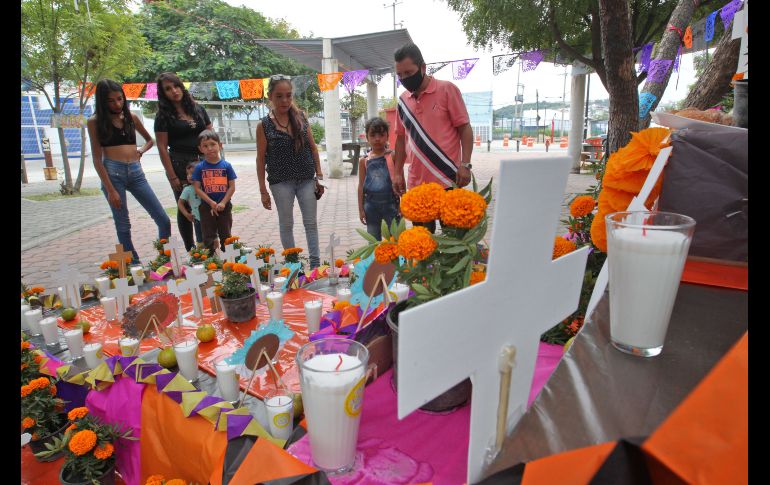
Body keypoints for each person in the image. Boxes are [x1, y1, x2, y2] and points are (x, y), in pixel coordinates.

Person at [392, 42, 474, 232]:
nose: (404, 78)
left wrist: (466, 164)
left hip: (448, 179)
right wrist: (397, 173)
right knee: (422, 248)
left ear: (422, 67)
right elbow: (400, 139)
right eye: (400, 75)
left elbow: (464, 129)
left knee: (454, 244)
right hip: (417, 185)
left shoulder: (447, 90)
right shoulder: (403, 101)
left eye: (409, 73)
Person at [87, 79, 171, 263]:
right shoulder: (94, 122)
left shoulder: (131, 117)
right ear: (102, 101)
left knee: (163, 219)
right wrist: (110, 190)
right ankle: (134, 265)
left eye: (119, 99)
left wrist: (140, 151)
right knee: (123, 224)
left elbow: (150, 140)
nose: (117, 104)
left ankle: (164, 261)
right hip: (112, 173)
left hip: (136, 172)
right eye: (111, 101)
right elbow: (96, 158)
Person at [256, 75, 324, 268]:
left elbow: (313, 147)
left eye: (288, 95)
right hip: (280, 182)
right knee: (286, 224)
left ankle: (315, 266)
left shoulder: (300, 117)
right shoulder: (264, 125)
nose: (285, 100)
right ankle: (293, 266)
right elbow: (260, 159)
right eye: (279, 96)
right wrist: (263, 190)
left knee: (310, 223)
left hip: (306, 179)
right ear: (270, 96)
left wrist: (318, 176)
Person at [154, 72, 213, 251]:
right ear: (163, 93)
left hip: (205, 162)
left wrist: (218, 161)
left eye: (176, 86)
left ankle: (210, 245)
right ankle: (192, 249)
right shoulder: (163, 116)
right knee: (186, 205)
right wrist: (172, 176)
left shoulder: (198, 109)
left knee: (208, 203)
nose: (174, 91)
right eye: (168, 89)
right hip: (180, 165)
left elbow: (212, 135)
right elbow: (162, 147)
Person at [192, 130, 236, 254]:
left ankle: (230, 258)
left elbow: (232, 187)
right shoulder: (200, 167)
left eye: (212, 144)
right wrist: (211, 202)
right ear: (200, 149)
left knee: (226, 235)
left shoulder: (226, 166)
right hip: (206, 207)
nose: (210, 148)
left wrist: (223, 202)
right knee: (208, 235)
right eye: (205, 146)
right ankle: (211, 259)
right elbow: (197, 188)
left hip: (224, 206)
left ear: (219, 145)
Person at [358, 117, 400, 240]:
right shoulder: (364, 161)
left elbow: (400, 180)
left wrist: (402, 203)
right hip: (371, 206)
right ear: (367, 137)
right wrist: (361, 209)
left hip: (391, 204)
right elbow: (361, 186)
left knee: (396, 240)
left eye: (381, 135)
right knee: (373, 241)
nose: (377, 138)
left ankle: (399, 260)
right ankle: (375, 260)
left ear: (387, 136)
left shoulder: (392, 156)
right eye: (373, 135)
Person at [177, 161, 203, 245]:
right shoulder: (187, 189)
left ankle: (214, 255)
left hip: (209, 218)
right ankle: (202, 256)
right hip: (197, 219)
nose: (189, 176)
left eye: (192, 173)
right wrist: (186, 214)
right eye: (188, 174)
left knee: (212, 238)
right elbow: (180, 203)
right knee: (200, 241)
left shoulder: (205, 187)